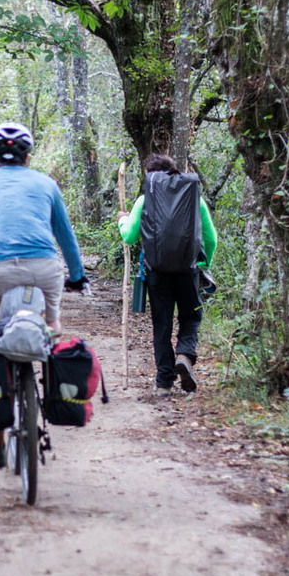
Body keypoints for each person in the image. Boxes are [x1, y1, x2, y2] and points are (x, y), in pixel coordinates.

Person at [0, 122, 88, 466]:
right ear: (28, 156)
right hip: (45, 270)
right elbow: (65, 236)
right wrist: (78, 277)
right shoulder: (47, 184)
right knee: (51, 327)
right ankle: (54, 393)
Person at [119, 153, 217, 395]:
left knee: (161, 324)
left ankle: (164, 382)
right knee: (191, 317)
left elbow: (129, 236)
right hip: (188, 269)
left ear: (150, 175)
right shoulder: (194, 198)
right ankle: (184, 354)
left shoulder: (144, 199)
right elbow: (211, 238)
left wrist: (122, 220)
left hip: (157, 271)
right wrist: (203, 263)